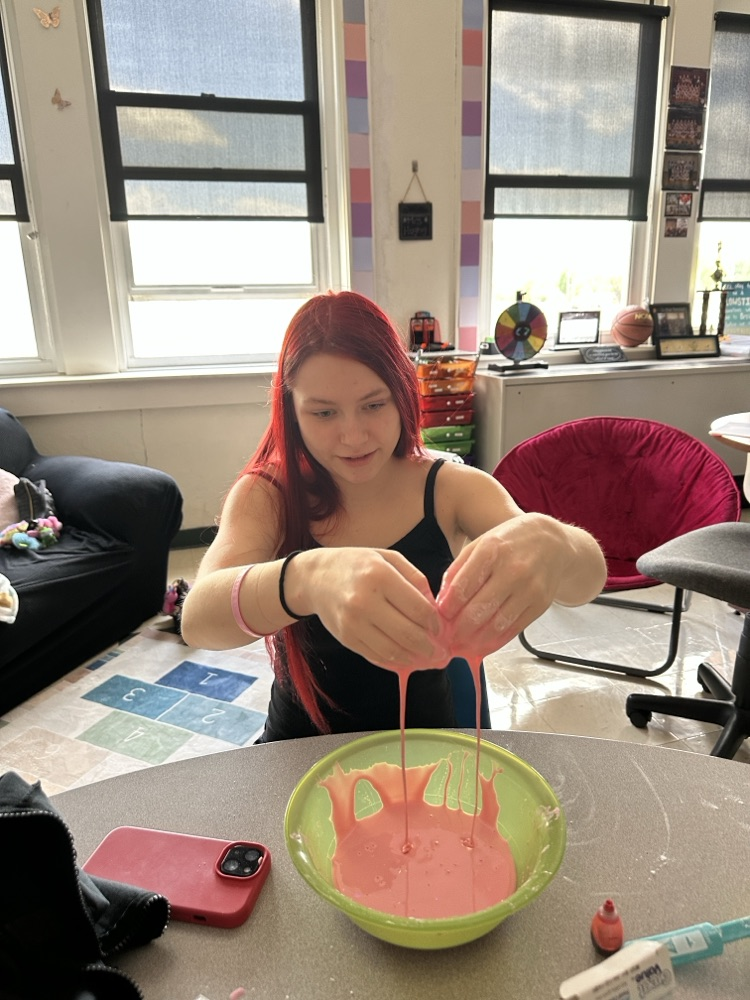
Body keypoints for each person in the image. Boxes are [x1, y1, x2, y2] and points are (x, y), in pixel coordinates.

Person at [180, 291, 607, 741]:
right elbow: (198, 619)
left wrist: (554, 544)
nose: (353, 435)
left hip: (430, 757)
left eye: (374, 404)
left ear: (403, 392)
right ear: (291, 410)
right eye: (323, 412)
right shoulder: (267, 494)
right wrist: (306, 578)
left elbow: (587, 581)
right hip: (298, 756)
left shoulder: (450, 488)